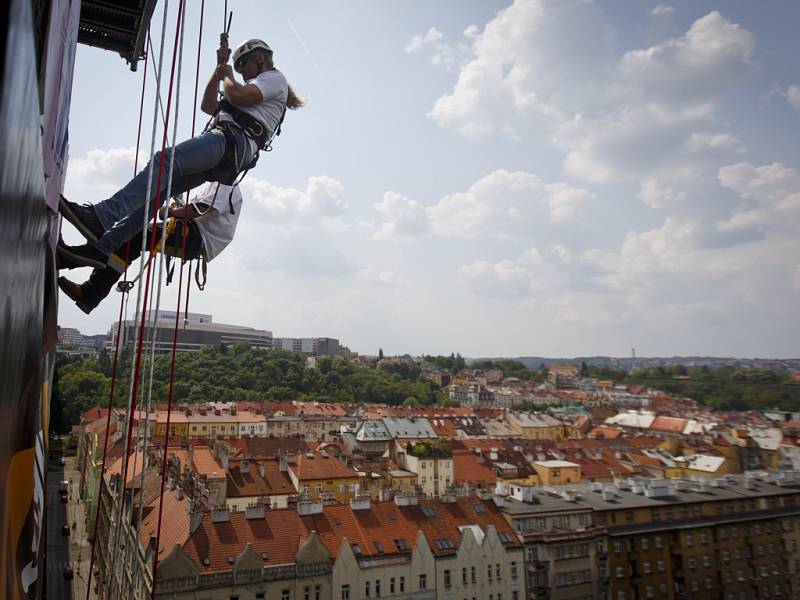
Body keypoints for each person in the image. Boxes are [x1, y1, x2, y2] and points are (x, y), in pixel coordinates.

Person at [58, 36, 303, 272]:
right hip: (230, 150)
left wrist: (227, 75)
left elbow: (236, 94)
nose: (240, 72)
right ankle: (101, 249)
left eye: (243, 66)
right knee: (158, 193)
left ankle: (102, 216)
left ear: (259, 58)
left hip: (231, 142)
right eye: (237, 69)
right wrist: (219, 69)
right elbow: (208, 106)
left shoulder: (273, 79)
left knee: (162, 161)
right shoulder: (250, 87)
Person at [58, 182, 243, 314]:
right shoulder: (219, 184)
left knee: (134, 234)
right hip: (194, 237)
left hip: (195, 238)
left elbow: (199, 209)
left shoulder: (227, 184)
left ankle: (79, 265)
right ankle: (89, 291)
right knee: (126, 244)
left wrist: (170, 212)